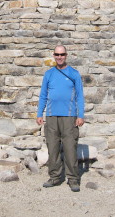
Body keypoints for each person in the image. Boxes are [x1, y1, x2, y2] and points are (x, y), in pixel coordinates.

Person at [36, 45, 85, 192]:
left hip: (69, 117)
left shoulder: (74, 74)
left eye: (62, 54)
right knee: (53, 148)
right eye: (57, 54)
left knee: (70, 148)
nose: (59, 57)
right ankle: (55, 177)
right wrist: (39, 113)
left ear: (66, 55)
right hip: (51, 116)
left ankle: (73, 179)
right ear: (53, 56)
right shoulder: (49, 74)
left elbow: (80, 96)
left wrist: (80, 115)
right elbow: (43, 95)